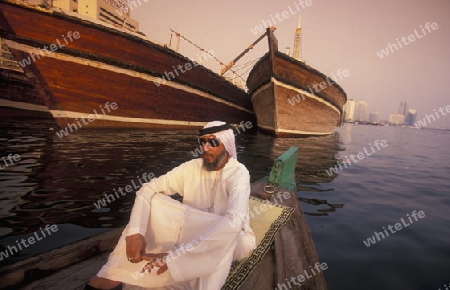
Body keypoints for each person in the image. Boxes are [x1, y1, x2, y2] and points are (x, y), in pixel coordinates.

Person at [85, 121, 256, 290]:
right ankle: (114, 275)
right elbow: (148, 188)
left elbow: (234, 221)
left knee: (225, 231)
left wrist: (176, 258)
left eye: (213, 141)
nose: (206, 148)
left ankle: (176, 268)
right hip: (192, 231)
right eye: (202, 142)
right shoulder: (192, 167)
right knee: (154, 201)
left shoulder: (239, 173)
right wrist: (136, 231)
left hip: (232, 239)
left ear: (226, 142)